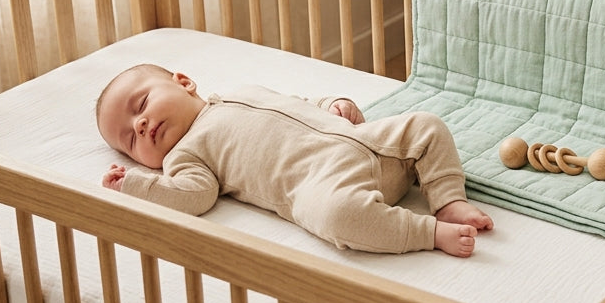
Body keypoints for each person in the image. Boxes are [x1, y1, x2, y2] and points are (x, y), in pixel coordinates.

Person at [95, 63, 493, 257]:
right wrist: (137, 184)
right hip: (325, 183)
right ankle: (427, 233)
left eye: (141, 104)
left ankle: (447, 199)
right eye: (130, 139)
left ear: (183, 82)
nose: (140, 124)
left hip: (366, 142)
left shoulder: (240, 90)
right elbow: (193, 195)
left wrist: (334, 103)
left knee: (426, 125)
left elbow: (297, 103)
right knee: (338, 216)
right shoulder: (184, 156)